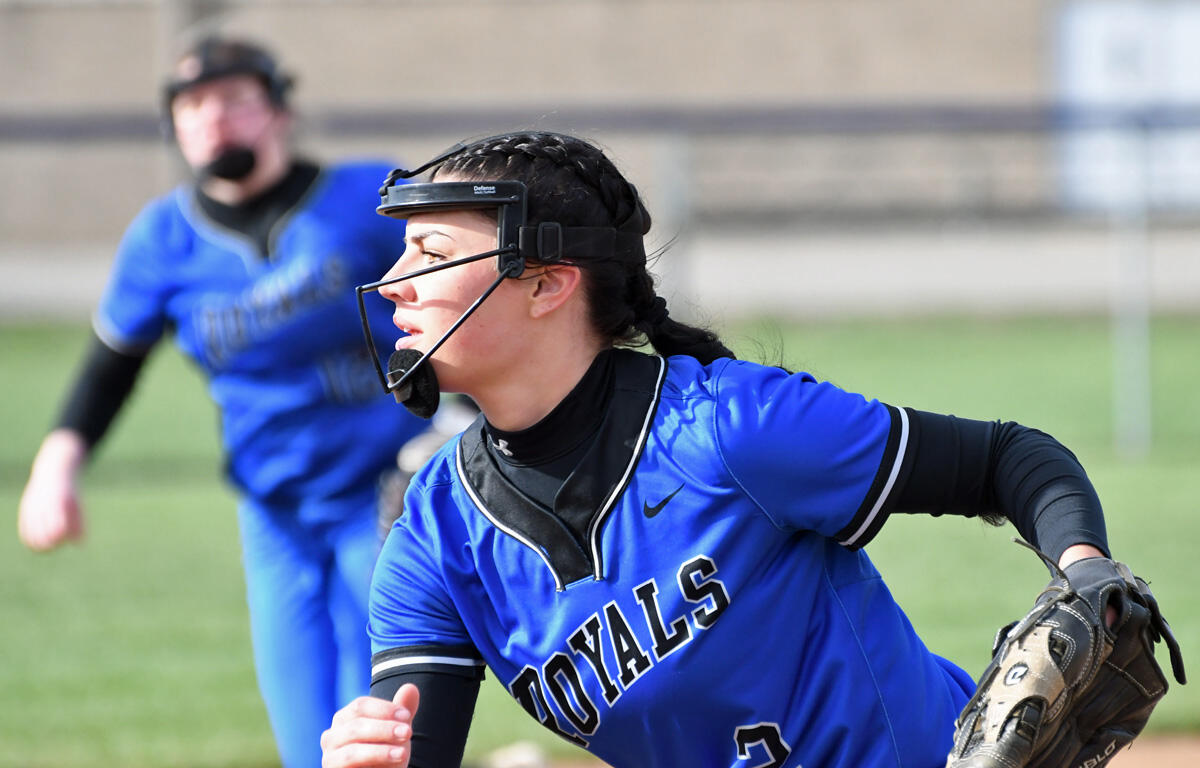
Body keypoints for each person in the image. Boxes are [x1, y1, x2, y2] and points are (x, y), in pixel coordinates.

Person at [318, 131, 1176, 768]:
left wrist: (1085, 570)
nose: (393, 284)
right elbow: (414, 749)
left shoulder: (729, 427)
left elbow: (1009, 458)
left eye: (430, 253)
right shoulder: (435, 533)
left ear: (547, 284)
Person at [16, 34, 432, 768]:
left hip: (382, 494)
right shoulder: (164, 239)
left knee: (375, 724)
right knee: (306, 738)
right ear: (176, 129)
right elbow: (112, 365)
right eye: (193, 106)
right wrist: (57, 466)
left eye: (236, 100)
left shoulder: (365, 199)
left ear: (280, 111)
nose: (214, 118)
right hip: (271, 508)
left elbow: (458, 295)